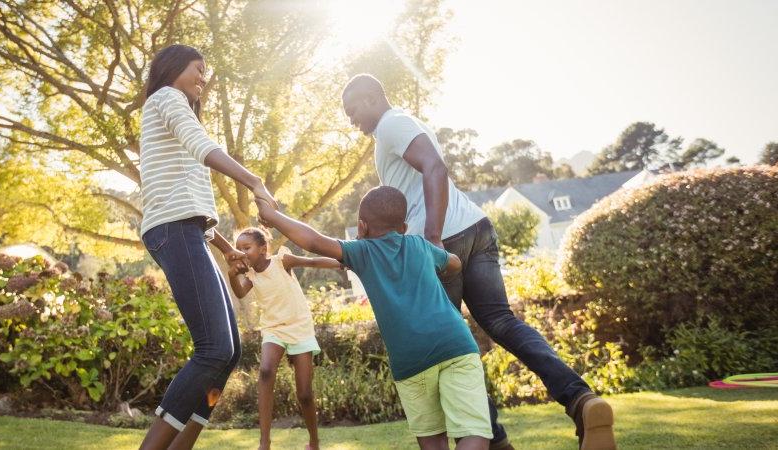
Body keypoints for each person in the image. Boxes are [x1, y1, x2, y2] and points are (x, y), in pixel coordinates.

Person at [339, 73, 615, 450]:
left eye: (352, 111)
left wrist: (433, 237)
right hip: (475, 227)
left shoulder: (391, 125)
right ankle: (580, 400)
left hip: (443, 239)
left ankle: (496, 442)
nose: (351, 121)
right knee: (500, 321)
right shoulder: (405, 122)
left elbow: (435, 167)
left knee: (448, 347)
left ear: (372, 98)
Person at [256, 186, 493, 450]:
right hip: (455, 345)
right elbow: (455, 262)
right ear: (403, 227)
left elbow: (313, 241)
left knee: (433, 439)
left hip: (411, 359)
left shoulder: (362, 252)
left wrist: (273, 216)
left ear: (362, 226)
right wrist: (447, 262)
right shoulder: (419, 245)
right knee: (473, 433)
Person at [137, 44, 278, 450]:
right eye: (198, 69)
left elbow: (188, 202)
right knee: (213, 347)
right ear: (172, 68)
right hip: (173, 231)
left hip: (186, 230)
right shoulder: (167, 97)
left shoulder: (170, 110)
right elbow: (202, 146)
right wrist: (254, 182)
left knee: (229, 351)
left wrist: (223, 246)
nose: (203, 78)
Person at [228, 227, 342, 450]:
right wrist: (233, 276)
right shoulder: (251, 275)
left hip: (299, 327)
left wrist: (341, 262)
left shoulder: (282, 260)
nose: (242, 252)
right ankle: (264, 442)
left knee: (305, 393)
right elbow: (240, 293)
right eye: (239, 249)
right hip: (273, 328)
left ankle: (314, 441)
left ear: (263, 249)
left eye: (246, 248)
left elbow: (312, 262)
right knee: (266, 371)